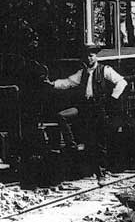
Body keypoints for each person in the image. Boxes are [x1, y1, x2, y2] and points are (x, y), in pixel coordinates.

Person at [44, 43, 128, 179]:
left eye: (91, 56)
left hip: (98, 109)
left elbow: (122, 82)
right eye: (87, 56)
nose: (89, 59)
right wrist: (53, 84)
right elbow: (68, 82)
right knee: (62, 116)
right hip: (84, 107)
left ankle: (101, 173)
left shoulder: (105, 70)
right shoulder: (82, 73)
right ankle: (72, 145)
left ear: (96, 56)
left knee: (99, 141)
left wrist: (113, 97)